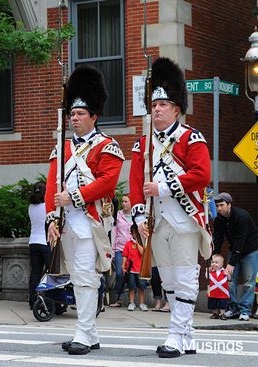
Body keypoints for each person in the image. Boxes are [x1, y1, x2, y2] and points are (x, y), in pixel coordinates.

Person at [129, 57, 211, 358]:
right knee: (170, 280)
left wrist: (163, 187)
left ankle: (175, 335)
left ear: (176, 108)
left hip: (185, 218)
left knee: (187, 277)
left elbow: (202, 175)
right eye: (154, 105)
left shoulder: (191, 138)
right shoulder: (142, 144)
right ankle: (187, 334)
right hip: (156, 221)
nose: (157, 109)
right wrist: (138, 216)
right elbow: (136, 183)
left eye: (163, 104)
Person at [45, 65, 124, 356]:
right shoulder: (61, 146)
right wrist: (52, 217)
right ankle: (89, 333)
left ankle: (83, 332)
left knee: (86, 276)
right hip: (66, 222)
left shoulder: (107, 146)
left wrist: (73, 197)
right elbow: (51, 185)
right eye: (72, 114)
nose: (74, 118)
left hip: (91, 221)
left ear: (94, 116)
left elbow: (106, 184)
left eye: (79, 114)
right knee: (77, 277)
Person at [212, 192, 258, 321]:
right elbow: (218, 239)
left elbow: (240, 241)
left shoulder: (241, 216)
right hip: (235, 249)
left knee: (249, 281)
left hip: (250, 250)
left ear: (229, 205)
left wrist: (231, 263)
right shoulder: (219, 219)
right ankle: (233, 308)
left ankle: (245, 310)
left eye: (222, 205)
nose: (219, 208)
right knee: (230, 280)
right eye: (217, 206)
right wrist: (215, 255)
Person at [28, 181, 51, 309]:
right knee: (50, 272)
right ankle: (48, 299)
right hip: (45, 242)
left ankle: (33, 299)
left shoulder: (31, 207)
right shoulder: (47, 206)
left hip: (33, 242)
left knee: (35, 272)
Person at [109, 194, 131, 308]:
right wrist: (112, 250)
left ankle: (132, 299)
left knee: (132, 274)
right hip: (120, 248)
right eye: (123, 201)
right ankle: (119, 297)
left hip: (133, 249)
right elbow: (114, 232)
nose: (123, 204)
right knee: (119, 273)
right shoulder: (118, 215)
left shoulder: (136, 216)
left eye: (126, 201)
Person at [122, 224, 148, 311]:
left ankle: (141, 303)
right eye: (134, 233)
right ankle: (131, 302)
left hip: (140, 269)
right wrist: (123, 265)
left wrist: (137, 243)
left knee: (141, 287)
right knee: (131, 286)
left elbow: (142, 253)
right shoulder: (128, 244)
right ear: (131, 233)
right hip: (131, 269)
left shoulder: (143, 243)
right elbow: (125, 255)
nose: (135, 235)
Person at [207, 254, 230, 319]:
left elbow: (229, 279)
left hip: (222, 292)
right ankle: (215, 313)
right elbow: (207, 277)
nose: (214, 264)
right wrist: (207, 271)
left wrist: (227, 274)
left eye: (216, 262)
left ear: (221, 264)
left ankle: (222, 314)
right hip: (213, 292)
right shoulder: (210, 272)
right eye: (212, 262)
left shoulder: (224, 271)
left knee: (223, 304)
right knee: (213, 304)